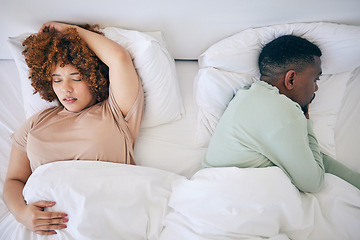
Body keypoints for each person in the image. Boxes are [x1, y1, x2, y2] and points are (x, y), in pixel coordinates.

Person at [3, 22, 144, 235]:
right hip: (43, 228)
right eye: (56, 80)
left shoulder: (115, 112)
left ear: (95, 77)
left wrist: (67, 32)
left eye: (76, 78)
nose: (65, 89)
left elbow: (119, 57)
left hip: (102, 221)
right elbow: (14, 180)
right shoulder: (35, 123)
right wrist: (22, 213)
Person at [203, 35, 360, 193]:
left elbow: (311, 159)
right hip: (229, 191)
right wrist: (306, 119)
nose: (316, 89)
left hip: (213, 185)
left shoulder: (247, 94)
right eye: (315, 79)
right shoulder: (284, 111)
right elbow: (313, 183)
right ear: (291, 79)